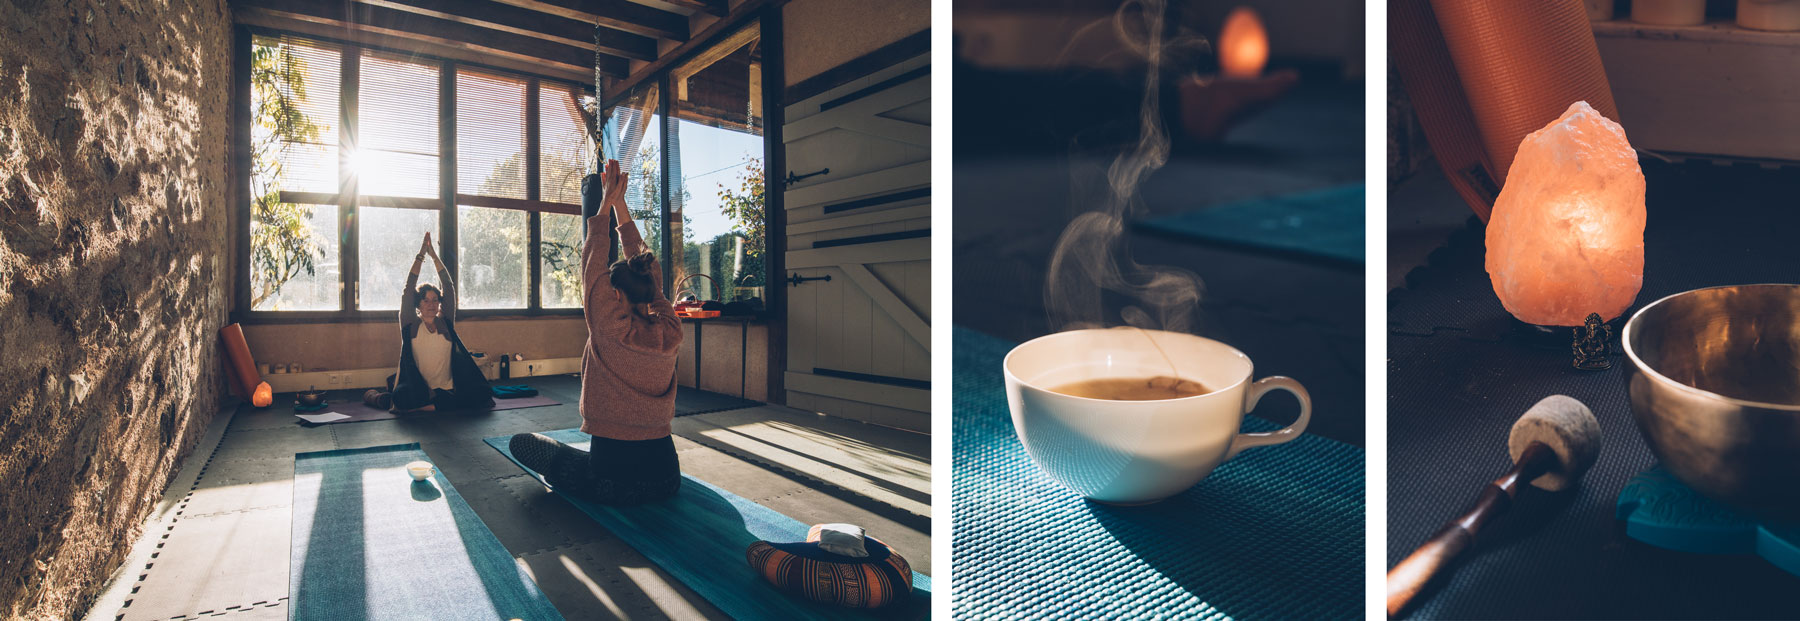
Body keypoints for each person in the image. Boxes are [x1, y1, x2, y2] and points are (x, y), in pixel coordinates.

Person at [509, 158, 683, 504]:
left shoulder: (609, 328)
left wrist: (606, 200)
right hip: (666, 479)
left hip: (611, 480)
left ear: (615, 295)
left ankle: (585, 473)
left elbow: (592, 259)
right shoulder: (670, 328)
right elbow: (652, 279)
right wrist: (619, 205)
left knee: (523, 444)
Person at [378, 232, 495, 413]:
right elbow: (409, 289)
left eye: (435, 300)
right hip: (421, 389)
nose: (431, 304)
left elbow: (448, 286)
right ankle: (430, 405)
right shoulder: (410, 323)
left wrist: (434, 255)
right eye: (425, 300)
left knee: (483, 394)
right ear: (418, 304)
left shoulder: (445, 322)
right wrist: (421, 255)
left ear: (439, 302)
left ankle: (424, 408)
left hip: (448, 388)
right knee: (402, 396)